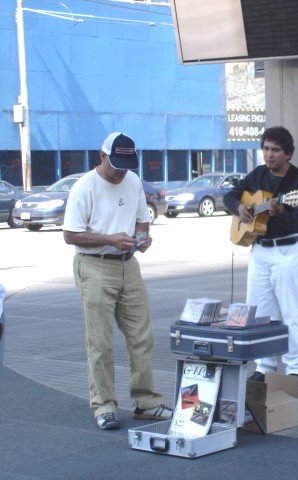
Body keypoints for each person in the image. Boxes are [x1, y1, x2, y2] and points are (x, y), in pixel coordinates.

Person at [63, 132, 173, 431]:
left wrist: (141, 238)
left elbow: (142, 218)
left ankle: (146, 402)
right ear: (102, 156)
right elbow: (70, 235)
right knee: (100, 341)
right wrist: (109, 239)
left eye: (126, 164)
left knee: (142, 336)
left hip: (128, 264)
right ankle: (104, 405)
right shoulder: (84, 187)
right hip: (94, 264)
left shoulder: (133, 181)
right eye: (116, 164)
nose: (120, 171)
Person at [223, 126, 298, 393]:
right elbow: (230, 195)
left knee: (290, 313)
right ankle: (265, 367)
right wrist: (239, 207)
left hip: (287, 251)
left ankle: (295, 369)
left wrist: (280, 212)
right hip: (260, 250)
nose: (269, 155)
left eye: (275, 150)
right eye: (266, 148)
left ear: (289, 154)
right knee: (260, 312)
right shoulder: (258, 174)